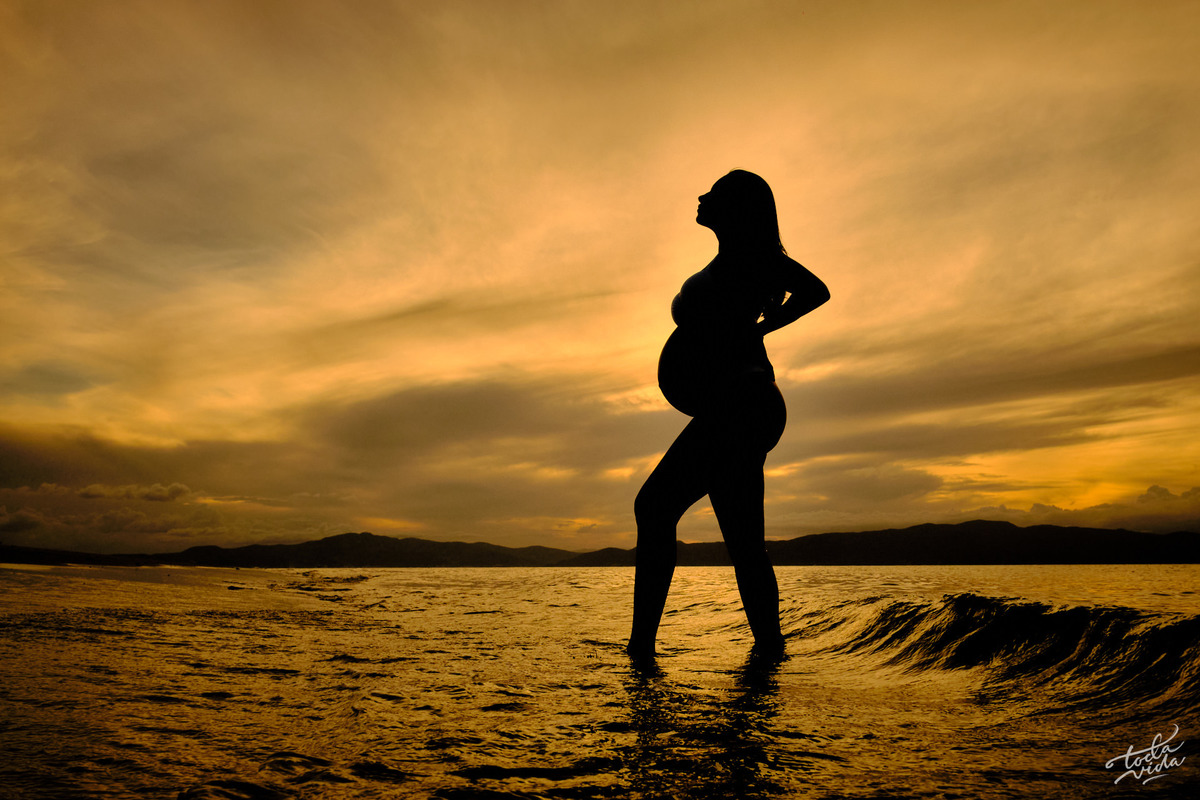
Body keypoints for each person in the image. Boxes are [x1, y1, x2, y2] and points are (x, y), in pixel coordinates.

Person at [628, 170, 830, 662]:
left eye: (714, 194)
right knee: (743, 540)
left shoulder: (753, 259)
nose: (701, 196)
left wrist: (764, 329)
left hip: (741, 406)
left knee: (654, 507)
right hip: (735, 408)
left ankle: (641, 650)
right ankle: (769, 652)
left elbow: (816, 291)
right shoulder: (729, 262)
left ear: (736, 208)